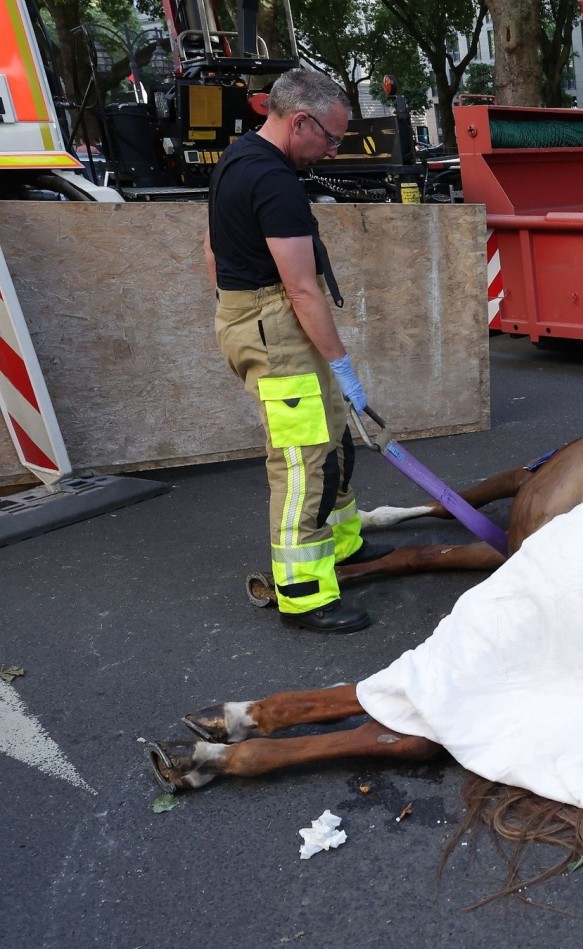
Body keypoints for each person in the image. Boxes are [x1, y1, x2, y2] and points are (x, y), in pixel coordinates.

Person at [204, 67, 387, 634]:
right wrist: (341, 364)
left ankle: (342, 544)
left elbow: (211, 250)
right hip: (275, 328)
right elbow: (302, 289)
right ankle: (304, 594)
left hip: (256, 317)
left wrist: (234, 310)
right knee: (302, 462)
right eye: (331, 138)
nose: (332, 151)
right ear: (300, 120)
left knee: (331, 440)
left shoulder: (238, 158)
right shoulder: (274, 182)